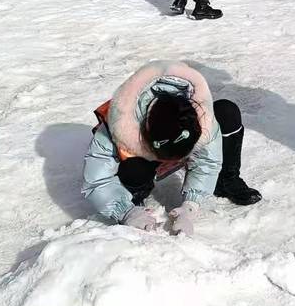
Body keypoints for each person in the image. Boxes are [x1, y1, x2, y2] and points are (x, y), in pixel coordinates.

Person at [82, 62, 261, 235]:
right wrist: (124, 211)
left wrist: (191, 205)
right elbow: (97, 180)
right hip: (143, 160)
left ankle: (225, 180)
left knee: (226, 112)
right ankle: (135, 195)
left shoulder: (198, 112)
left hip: (168, 142)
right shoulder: (120, 121)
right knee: (133, 167)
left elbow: (207, 160)